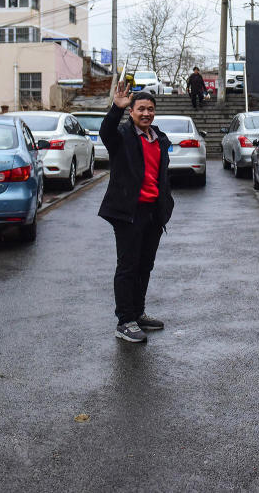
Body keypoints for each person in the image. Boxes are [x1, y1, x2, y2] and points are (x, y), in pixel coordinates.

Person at [97, 81, 175, 343]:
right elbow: (106, 133)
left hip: (153, 212)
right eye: (141, 109)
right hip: (128, 211)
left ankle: (138, 313)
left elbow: (160, 175)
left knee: (145, 265)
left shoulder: (159, 139)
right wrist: (115, 109)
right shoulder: (122, 136)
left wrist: (166, 203)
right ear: (131, 111)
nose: (146, 113)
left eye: (150, 109)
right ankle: (124, 321)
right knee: (128, 266)